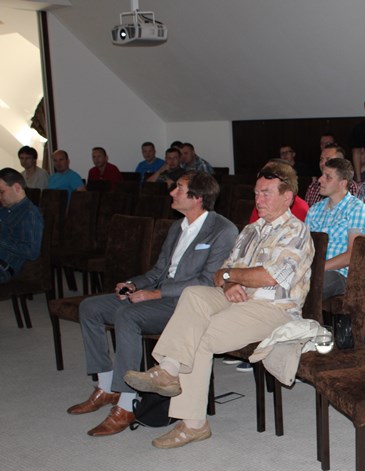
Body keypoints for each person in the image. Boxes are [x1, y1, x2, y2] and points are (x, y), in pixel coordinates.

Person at [123, 166, 314, 448]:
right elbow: (218, 273)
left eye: (266, 193)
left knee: (200, 334)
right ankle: (169, 369)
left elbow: (269, 277)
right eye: (256, 193)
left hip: (273, 309)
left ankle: (193, 424)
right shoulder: (250, 230)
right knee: (193, 295)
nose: (258, 199)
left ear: (287, 197)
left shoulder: (296, 232)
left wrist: (231, 276)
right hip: (237, 297)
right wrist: (227, 283)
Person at [67, 171, 238, 436]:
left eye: (179, 188)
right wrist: (133, 285)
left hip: (187, 304)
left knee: (128, 315)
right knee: (90, 308)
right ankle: (107, 387)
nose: (172, 192)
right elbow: (158, 271)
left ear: (198, 197)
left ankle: (127, 404)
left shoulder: (223, 230)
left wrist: (155, 294)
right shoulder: (177, 227)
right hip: (160, 295)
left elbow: (207, 281)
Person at [306, 157, 365, 300]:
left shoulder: (357, 209)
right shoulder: (314, 210)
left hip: (340, 273)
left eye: (327, 177)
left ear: (342, 183)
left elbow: (353, 254)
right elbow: (304, 246)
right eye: (322, 175)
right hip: (312, 268)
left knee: (311, 284)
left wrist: (317, 268)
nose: (320, 180)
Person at [0, 168, 44, 284]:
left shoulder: (29, 214)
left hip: (4, 265)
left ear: (17, 188)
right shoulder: (5, 209)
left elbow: (32, 252)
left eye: (1, 192)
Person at [304, 143, 358, 207]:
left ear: (340, 162)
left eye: (328, 160)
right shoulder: (313, 187)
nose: (323, 163)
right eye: (321, 159)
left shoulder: (351, 187)